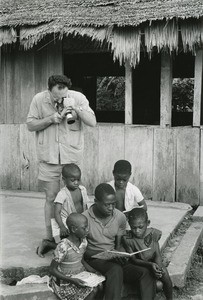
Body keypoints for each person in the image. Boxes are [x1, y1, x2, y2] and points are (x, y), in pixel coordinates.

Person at [26, 75, 96, 257]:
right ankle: (51, 238)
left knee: (76, 197)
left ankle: (78, 236)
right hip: (48, 157)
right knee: (51, 198)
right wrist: (52, 118)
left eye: (64, 96)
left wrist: (77, 109)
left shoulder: (78, 98)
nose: (60, 100)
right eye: (57, 98)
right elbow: (30, 125)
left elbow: (92, 122)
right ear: (49, 90)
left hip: (71, 158)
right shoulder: (38, 99)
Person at [83, 183, 156, 300]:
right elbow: (81, 251)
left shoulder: (120, 216)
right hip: (95, 259)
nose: (111, 208)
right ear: (96, 201)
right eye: (107, 205)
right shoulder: (84, 219)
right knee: (115, 270)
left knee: (145, 272)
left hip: (114, 257)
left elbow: (119, 243)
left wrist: (119, 253)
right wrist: (102, 254)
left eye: (113, 204)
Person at [122, 208, 173, 300]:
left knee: (166, 277)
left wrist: (159, 267)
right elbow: (133, 259)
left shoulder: (153, 233)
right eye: (133, 227)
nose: (137, 231)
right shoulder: (128, 239)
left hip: (154, 261)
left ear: (148, 223)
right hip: (141, 265)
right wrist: (150, 265)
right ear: (129, 224)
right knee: (154, 283)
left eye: (140, 227)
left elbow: (156, 253)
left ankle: (170, 298)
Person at [49, 213, 102, 300]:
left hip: (79, 276)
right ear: (73, 229)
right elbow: (52, 269)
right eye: (84, 228)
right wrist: (71, 280)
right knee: (92, 292)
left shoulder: (84, 242)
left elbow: (81, 260)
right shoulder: (63, 246)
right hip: (64, 282)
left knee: (100, 285)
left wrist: (94, 271)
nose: (87, 230)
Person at [52, 163, 89, 244]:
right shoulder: (62, 194)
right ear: (64, 179)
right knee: (63, 241)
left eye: (78, 179)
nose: (76, 182)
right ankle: (49, 244)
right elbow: (56, 212)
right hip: (66, 220)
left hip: (80, 218)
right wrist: (61, 226)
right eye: (73, 180)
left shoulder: (82, 190)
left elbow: (86, 206)